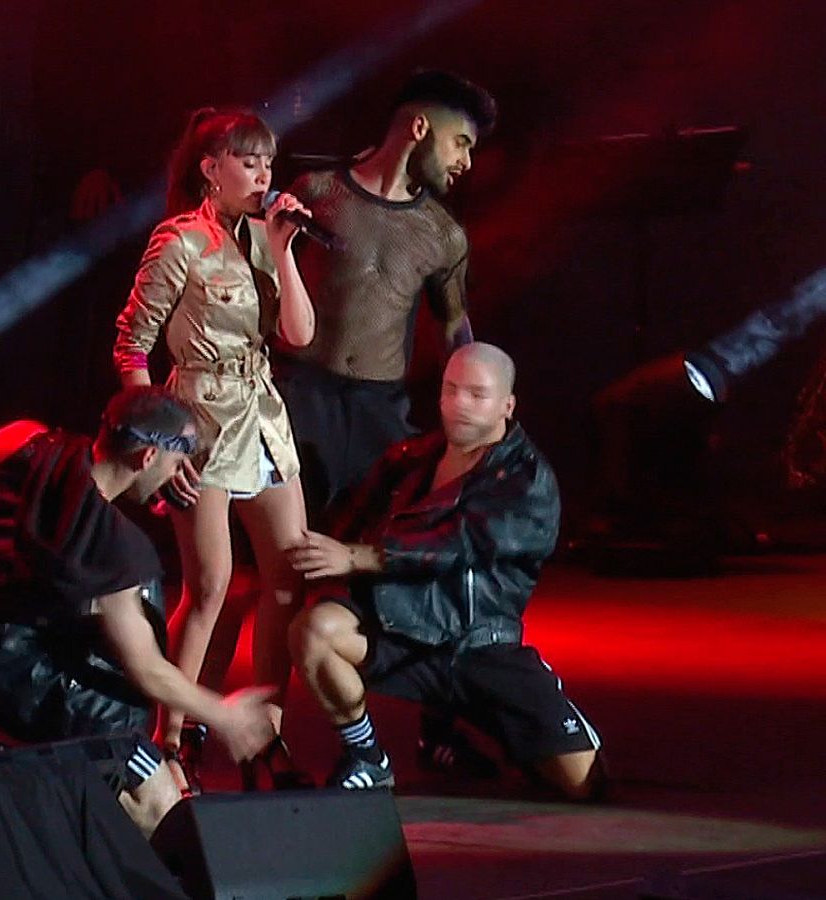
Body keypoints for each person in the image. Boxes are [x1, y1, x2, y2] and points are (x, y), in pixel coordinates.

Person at [271, 69, 500, 774]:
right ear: (420, 128)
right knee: (282, 573)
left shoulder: (443, 235)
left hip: (380, 417)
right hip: (297, 400)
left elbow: (454, 327)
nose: (465, 162)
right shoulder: (315, 196)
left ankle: (439, 725)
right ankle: (269, 740)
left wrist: (481, 414)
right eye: (461, 143)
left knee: (413, 573)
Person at [0, 387, 278, 835]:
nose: (178, 477)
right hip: (18, 678)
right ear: (147, 457)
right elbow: (148, 670)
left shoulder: (20, 439)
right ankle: (13, 780)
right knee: (140, 744)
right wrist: (224, 714)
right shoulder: (117, 549)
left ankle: (31, 776)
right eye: (175, 464)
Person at [287, 344, 605, 799]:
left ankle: (464, 734)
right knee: (316, 630)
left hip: (482, 648)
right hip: (407, 634)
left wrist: (357, 556)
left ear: (507, 405)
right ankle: (369, 759)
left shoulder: (527, 478)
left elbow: (457, 546)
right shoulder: (408, 459)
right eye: (451, 390)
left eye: (477, 394)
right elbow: (349, 525)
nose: (460, 404)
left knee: (582, 786)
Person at [111, 108, 316, 779]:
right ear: (211, 168)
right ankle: (166, 743)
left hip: (263, 413)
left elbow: (300, 335)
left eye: (267, 161)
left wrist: (284, 250)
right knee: (212, 586)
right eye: (248, 160)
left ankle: (265, 732)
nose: (263, 173)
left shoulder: (265, 235)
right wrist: (156, 438)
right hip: (199, 416)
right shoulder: (179, 242)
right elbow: (133, 342)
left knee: (288, 575)